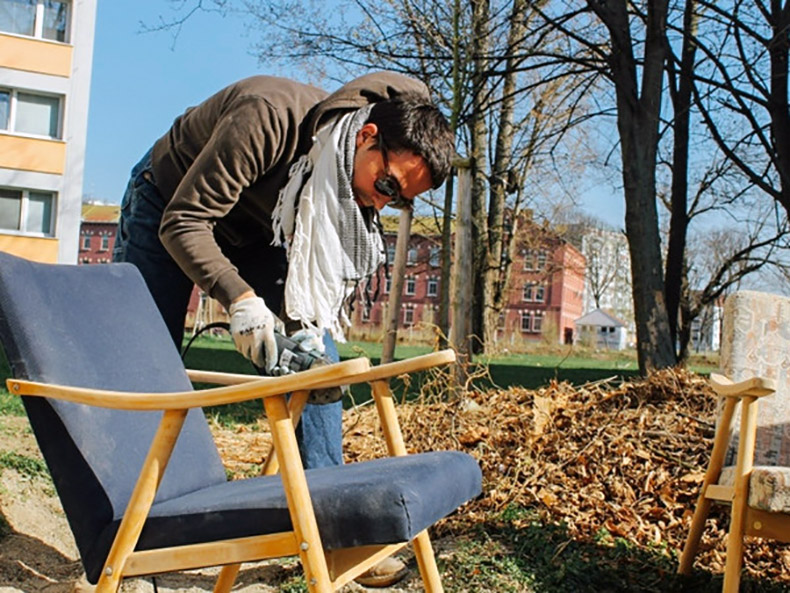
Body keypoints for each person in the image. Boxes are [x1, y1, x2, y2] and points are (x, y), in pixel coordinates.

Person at [112, 71, 455, 587]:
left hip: (263, 228)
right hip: (170, 202)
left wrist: (300, 327)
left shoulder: (340, 183)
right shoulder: (267, 117)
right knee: (149, 366)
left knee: (318, 361)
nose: (381, 204)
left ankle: (333, 533)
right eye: (386, 185)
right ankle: (132, 548)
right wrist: (241, 300)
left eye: (399, 200)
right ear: (365, 137)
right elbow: (184, 221)